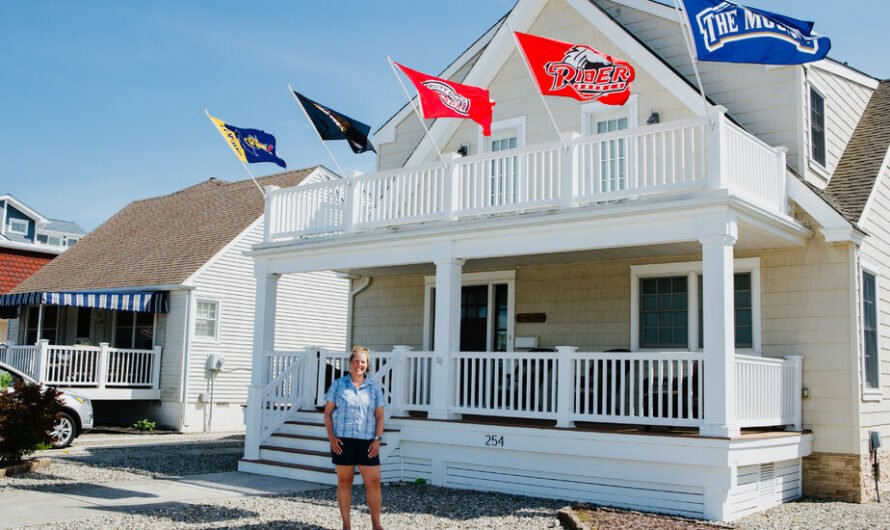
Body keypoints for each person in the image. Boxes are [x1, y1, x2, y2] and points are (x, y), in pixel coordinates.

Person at [323, 346, 385, 530]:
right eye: (356, 361)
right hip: (343, 441)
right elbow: (327, 413)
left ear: (367, 365)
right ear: (350, 364)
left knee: (373, 483)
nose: (359, 365)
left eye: (363, 362)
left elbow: (380, 415)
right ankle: (346, 525)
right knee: (344, 482)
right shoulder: (338, 385)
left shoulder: (374, 387)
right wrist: (332, 439)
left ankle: (376, 525)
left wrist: (377, 439)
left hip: (367, 441)